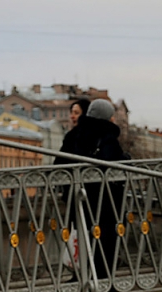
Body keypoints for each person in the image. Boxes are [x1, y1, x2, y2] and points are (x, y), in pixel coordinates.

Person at [58, 98, 129, 281]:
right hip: (104, 199)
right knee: (104, 240)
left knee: (83, 236)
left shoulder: (73, 135)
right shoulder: (107, 136)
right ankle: (103, 279)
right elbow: (111, 163)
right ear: (108, 117)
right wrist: (126, 159)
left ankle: (81, 277)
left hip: (78, 197)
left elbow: (59, 164)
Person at [53, 98, 91, 167]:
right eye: (71, 113)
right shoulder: (71, 136)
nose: (72, 116)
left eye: (76, 113)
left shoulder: (74, 136)